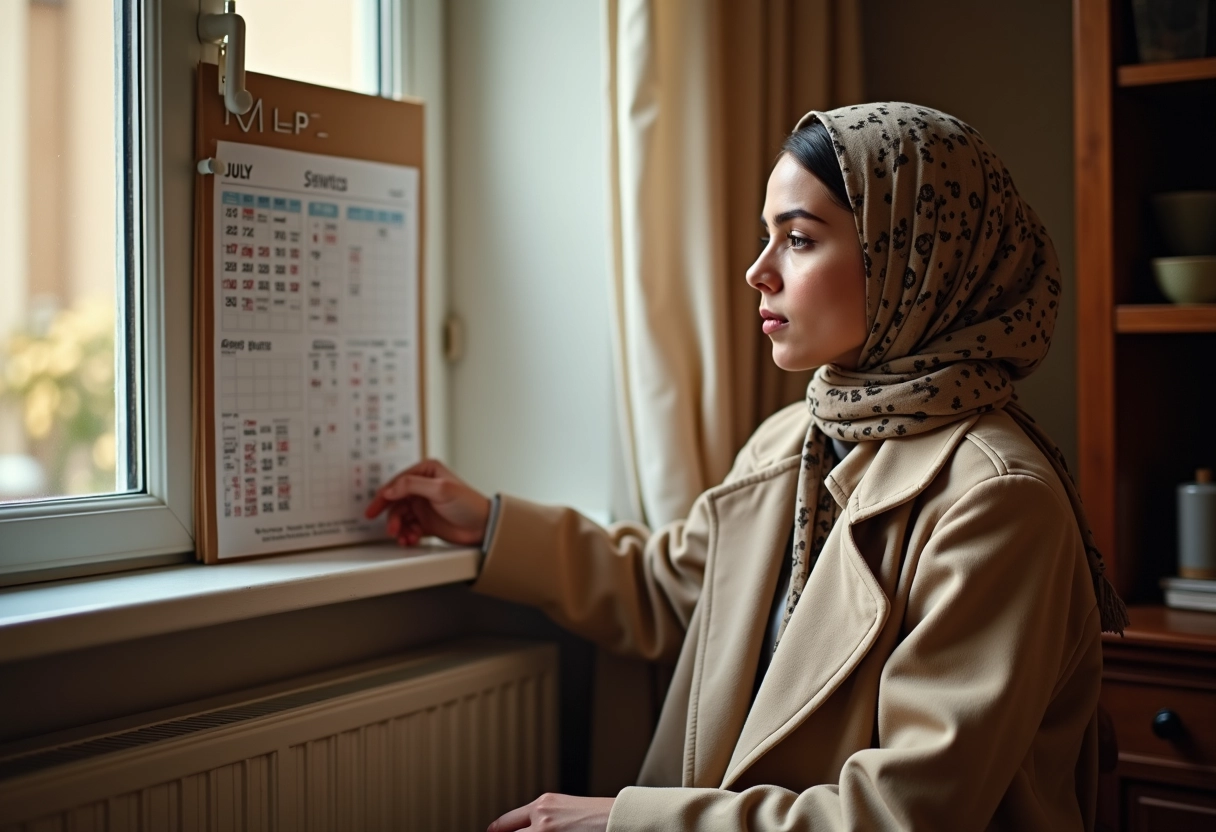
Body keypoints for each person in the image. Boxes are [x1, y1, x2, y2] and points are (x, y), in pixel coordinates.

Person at [365, 102, 1128, 832]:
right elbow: (668, 592)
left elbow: (905, 815)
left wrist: (623, 820)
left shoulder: (997, 500)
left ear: (912, 259)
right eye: (768, 237)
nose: (758, 271)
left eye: (798, 239)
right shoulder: (791, 438)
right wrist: (489, 523)